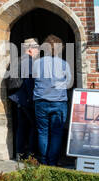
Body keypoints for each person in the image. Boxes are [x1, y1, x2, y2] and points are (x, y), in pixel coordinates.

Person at [31, 35, 72, 166]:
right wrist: (57, 85)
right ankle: (52, 162)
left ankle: (43, 161)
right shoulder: (64, 64)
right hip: (58, 102)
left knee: (43, 132)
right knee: (56, 133)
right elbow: (69, 83)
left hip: (41, 101)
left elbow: (35, 79)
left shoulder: (37, 63)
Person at [7, 38, 39, 160]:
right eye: (37, 48)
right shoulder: (28, 61)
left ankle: (20, 153)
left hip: (17, 98)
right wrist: (32, 99)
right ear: (30, 49)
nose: (38, 50)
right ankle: (30, 154)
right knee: (33, 126)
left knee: (22, 126)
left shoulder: (17, 60)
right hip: (25, 99)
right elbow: (29, 82)